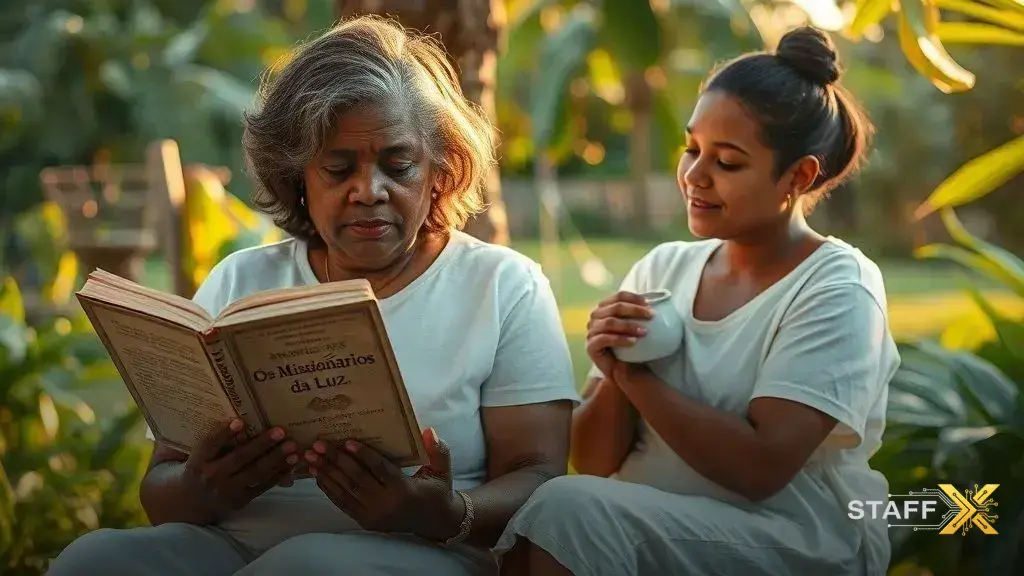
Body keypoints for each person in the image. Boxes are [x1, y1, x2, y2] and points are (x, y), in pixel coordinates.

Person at [49, 15, 579, 576]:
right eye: (338, 168)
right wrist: (202, 487)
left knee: (305, 565)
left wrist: (446, 511)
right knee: (93, 560)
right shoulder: (240, 281)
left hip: (425, 552)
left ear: (440, 170)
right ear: (297, 174)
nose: (369, 191)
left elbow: (540, 477)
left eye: (398, 166)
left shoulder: (503, 286)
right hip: (229, 548)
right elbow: (160, 492)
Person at [494, 26, 899, 576]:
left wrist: (638, 380)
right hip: (648, 526)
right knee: (553, 508)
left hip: (790, 540)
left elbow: (761, 468)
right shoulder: (663, 269)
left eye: (727, 162)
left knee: (565, 511)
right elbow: (591, 462)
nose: (694, 176)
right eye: (692, 149)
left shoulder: (836, 287)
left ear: (799, 175)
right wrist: (611, 364)